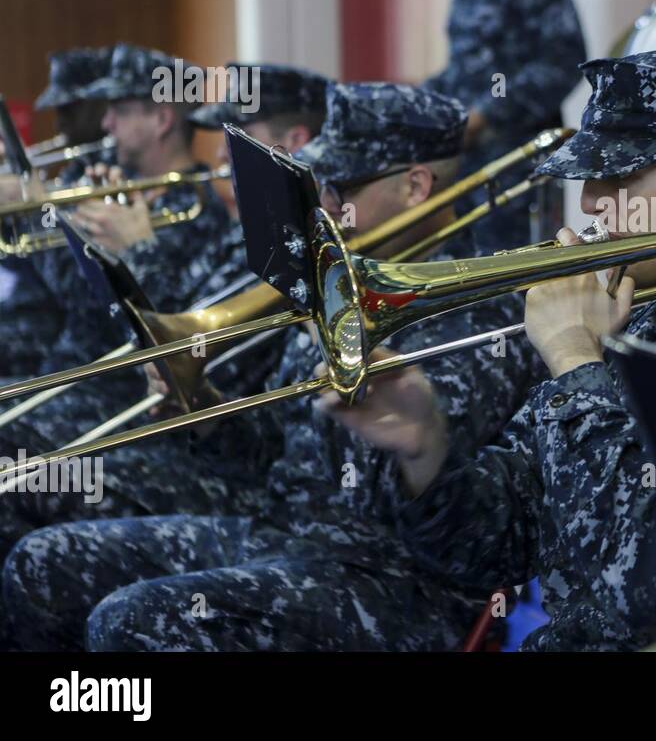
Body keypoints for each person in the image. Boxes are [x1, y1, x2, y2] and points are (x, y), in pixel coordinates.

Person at [320, 44, 656, 650]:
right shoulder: (626, 325)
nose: (588, 204)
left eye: (620, 178)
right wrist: (425, 451)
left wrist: (576, 362)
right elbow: (492, 548)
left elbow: (646, 592)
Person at [2, 82, 545, 651]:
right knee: (41, 566)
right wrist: (209, 411)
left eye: (340, 188)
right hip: (286, 531)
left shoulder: (478, 312)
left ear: (415, 187)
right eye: (319, 186)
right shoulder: (345, 272)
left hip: (391, 580)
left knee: (130, 621)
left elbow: (416, 508)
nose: (325, 207)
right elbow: (275, 456)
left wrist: (330, 344)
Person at [1, 43, 241, 452]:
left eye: (120, 110)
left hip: (113, 391)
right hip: (69, 371)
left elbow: (105, 314)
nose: (106, 123)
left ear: (161, 118)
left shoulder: (197, 212)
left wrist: (42, 210)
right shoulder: (121, 186)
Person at [424, 0, 586, 252]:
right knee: (462, 274)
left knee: (511, 278)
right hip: (465, 162)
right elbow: (466, 63)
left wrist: (488, 114)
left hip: (515, 168)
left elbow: (562, 62)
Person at [0, 47, 114, 381]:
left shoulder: (114, 182)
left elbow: (85, 291)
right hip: (39, 328)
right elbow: (21, 257)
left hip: (84, 363)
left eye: (71, 109)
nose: (60, 121)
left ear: (103, 105)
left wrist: (34, 209)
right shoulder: (74, 172)